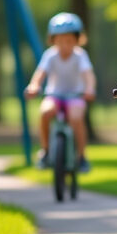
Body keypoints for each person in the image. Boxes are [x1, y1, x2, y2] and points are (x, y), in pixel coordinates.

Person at [24, 12, 96, 173]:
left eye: (69, 41)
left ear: (77, 40)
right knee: (45, 112)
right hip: (54, 95)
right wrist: (34, 86)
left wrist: (89, 88)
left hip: (75, 96)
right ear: (53, 40)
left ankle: (82, 156)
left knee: (76, 117)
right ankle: (45, 150)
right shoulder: (50, 56)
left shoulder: (80, 56)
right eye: (60, 41)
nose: (65, 45)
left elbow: (88, 75)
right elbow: (40, 74)